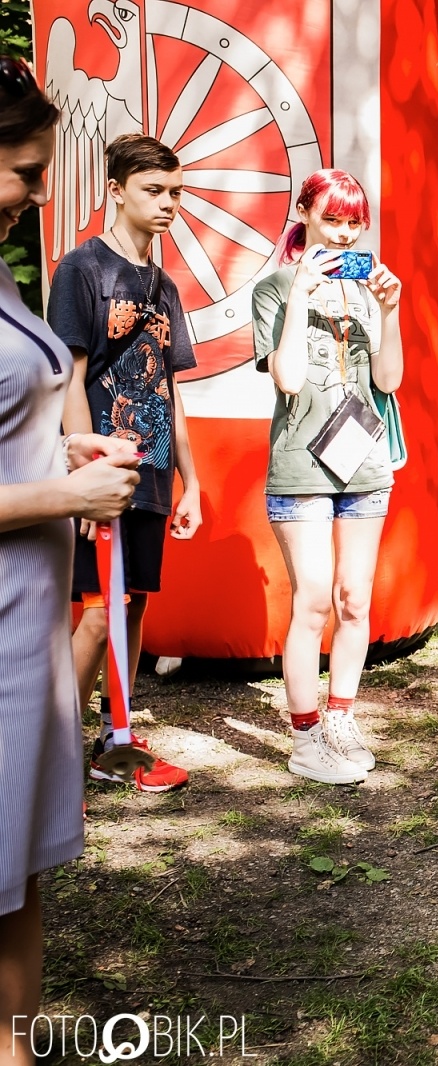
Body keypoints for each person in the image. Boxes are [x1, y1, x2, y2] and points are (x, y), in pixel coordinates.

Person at [1, 55, 142, 1061]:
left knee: (17, 877)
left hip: (25, 633)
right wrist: (65, 493)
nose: (39, 195)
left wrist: (65, 446)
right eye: (21, 170)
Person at [48, 134, 201, 793]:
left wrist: (192, 480)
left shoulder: (164, 285)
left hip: (153, 472)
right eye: (154, 191)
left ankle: (115, 744)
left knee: (132, 606)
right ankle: (51, 772)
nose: (169, 204)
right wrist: (83, 483)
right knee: (94, 612)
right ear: (117, 190)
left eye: (175, 193)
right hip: (100, 476)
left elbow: (171, 388)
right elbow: (67, 379)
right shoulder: (83, 269)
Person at [254, 170, 405, 784]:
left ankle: (342, 715)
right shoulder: (273, 288)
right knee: (313, 600)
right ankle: (306, 735)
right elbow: (288, 379)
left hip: (364, 464)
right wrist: (300, 296)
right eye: (331, 219)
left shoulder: (369, 290)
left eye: (353, 222)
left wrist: (390, 310)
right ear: (304, 214)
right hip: (300, 468)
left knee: (353, 599)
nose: (342, 234)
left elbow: (389, 380)